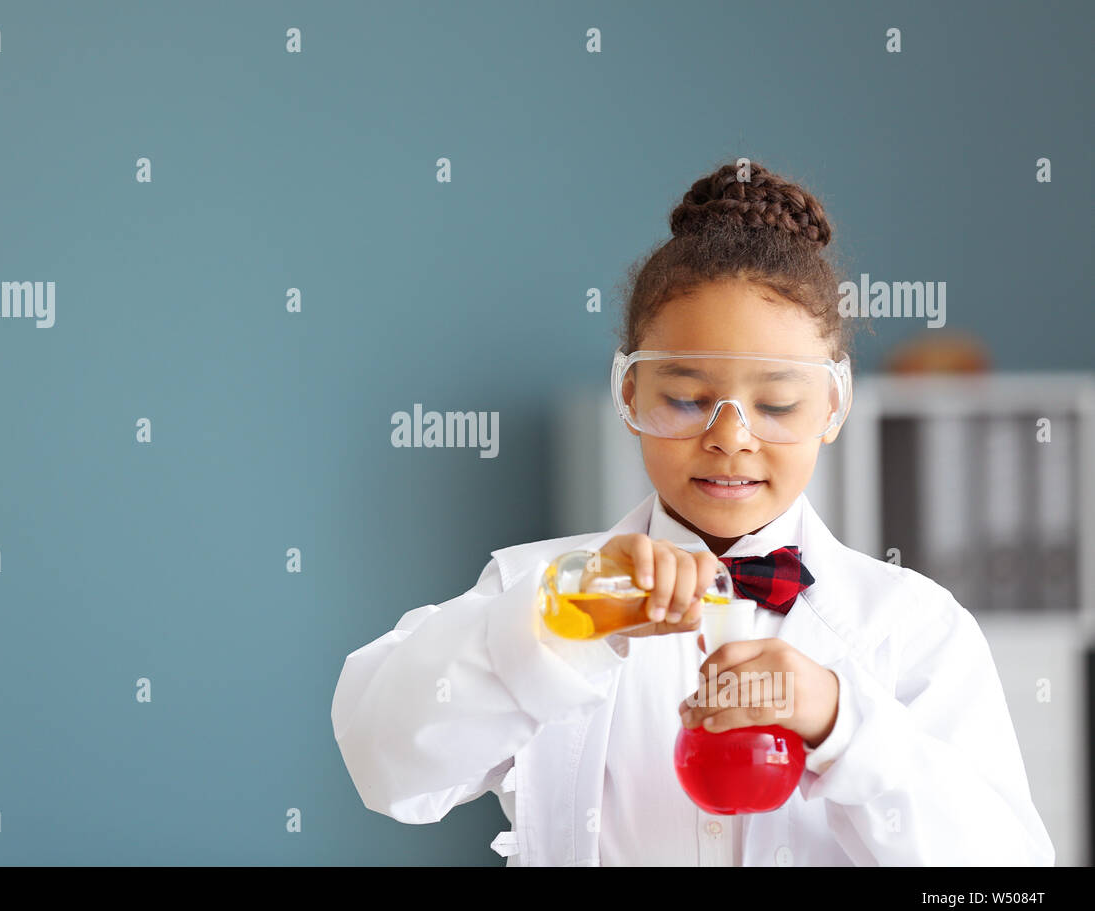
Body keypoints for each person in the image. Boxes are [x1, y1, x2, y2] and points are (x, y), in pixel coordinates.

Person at [330, 160, 1055, 866]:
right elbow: (382, 763)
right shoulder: (545, 589)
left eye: (775, 404)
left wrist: (842, 725)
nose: (730, 437)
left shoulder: (913, 629)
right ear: (630, 397)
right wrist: (561, 621)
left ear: (832, 406)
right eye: (684, 398)